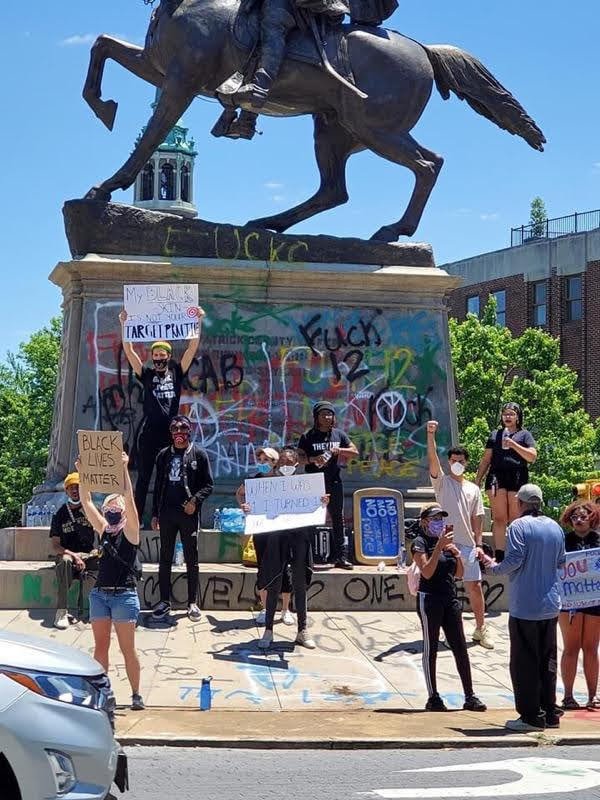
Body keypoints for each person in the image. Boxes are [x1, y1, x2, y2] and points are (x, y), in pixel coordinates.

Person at [485, 483, 565, 731]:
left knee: (524, 662)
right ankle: (550, 712)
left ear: (519, 503)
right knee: (547, 660)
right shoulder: (555, 527)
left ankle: (531, 716)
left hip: (525, 605)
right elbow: (561, 562)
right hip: (551, 604)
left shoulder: (518, 526)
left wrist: (492, 567)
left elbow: (515, 559)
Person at [118, 307, 205, 522]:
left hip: (171, 433)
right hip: (149, 433)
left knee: (167, 477)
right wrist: (124, 324)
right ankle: (135, 519)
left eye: (162, 355)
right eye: (155, 355)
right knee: (144, 478)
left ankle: (159, 516)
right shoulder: (146, 374)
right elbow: (129, 352)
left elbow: (191, 349)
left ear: (168, 356)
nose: (158, 358)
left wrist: (199, 321)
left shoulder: (176, 372)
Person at [77, 451, 145, 711]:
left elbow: (130, 501)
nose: (113, 511)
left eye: (117, 508)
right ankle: (101, 693)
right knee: (101, 647)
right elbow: (85, 500)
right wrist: (83, 472)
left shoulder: (131, 532)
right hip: (100, 594)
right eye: (109, 508)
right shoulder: (104, 529)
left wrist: (124, 469)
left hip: (124, 595)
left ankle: (136, 694)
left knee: (128, 648)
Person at [239, 446, 324, 649]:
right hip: (276, 538)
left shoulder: (307, 485)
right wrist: (248, 508)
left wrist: (322, 502)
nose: (285, 466)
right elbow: (246, 498)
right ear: (278, 464)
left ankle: (302, 630)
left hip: (299, 538)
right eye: (282, 462)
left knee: (300, 583)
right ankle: (268, 630)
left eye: (289, 463)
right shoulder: (267, 484)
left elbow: (318, 511)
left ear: (296, 465)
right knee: (273, 582)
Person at [411, 503, 487, 712]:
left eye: (441, 519)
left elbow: (459, 574)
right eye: (435, 519)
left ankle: (470, 695)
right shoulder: (420, 543)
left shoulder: (445, 544)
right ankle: (433, 696)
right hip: (430, 599)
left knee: (460, 647)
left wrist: (456, 554)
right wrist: (438, 548)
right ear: (425, 521)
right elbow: (426, 572)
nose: (439, 523)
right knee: (431, 647)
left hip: (449, 597)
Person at [426, 420, 493, 649]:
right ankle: (449, 631)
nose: (457, 464)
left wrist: (479, 544)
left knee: (474, 586)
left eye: (460, 461)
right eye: (453, 461)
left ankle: (480, 629)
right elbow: (432, 459)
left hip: (468, 545)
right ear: (449, 462)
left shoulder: (473, 489)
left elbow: (478, 518)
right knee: (447, 589)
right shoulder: (442, 483)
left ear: (466, 463)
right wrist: (431, 434)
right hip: (446, 545)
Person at [151, 414, 214, 622]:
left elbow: (208, 485)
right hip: (167, 513)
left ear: (189, 431)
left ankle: (192, 602)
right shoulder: (163, 455)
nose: (179, 433)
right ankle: (164, 601)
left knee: (191, 558)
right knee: (165, 557)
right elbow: (158, 485)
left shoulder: (198, 454)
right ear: (171, 433)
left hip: (188, 513)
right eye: (174, 430)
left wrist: (194, 501)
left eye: (182, 429)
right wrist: (154, 513)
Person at [236, 447, 294, 629]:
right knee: (262, 567)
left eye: (266, 460)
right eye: (260, 460)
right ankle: (265, 607)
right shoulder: (253, 480)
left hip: (281, 530)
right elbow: (239, 494)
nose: (262, 464)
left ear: (275, 462)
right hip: (261, 530)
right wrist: (243, 506)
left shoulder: (283, 480)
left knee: (284, 568)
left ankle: (285, 610)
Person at [298, 401, 358, 569]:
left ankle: (341, 557)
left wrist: (341, 451)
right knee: (311, 518)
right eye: (323, 414)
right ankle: (307, 557)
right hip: (313, 483)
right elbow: (299, 458)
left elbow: (355, 452)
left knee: (337, 518)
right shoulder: (308, 436)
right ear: (316, 417)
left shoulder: (339, 435)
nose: (326, 417)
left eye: (329, 414)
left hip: (334, 482)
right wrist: (312, 459)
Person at [475, 402, 537, 562]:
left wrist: (514, 444)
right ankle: (500, 555)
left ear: (518, 417)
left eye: (511, 414)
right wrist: (477, 480)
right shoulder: (495, 434)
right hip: (497, 476)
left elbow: (532, 457)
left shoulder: (525, 435)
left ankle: (516, 553)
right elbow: (486, 459)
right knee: (500, 517)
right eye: (505, 414)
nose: (508, 417)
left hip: (517, 476)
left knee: (516, 518)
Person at [557, 500, 600, 710]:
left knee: (591, 648)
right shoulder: (563, 541)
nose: (579, 520)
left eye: (583, 516)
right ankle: (568, 695)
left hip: (595, 601)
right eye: (575, 517)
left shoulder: (599, 541)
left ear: (592, 517)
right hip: (569, 601)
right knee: (571, 648)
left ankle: (593, 695)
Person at [49, 472, 97, 629]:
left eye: (78, 487)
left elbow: (105, 531)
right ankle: (61, 611)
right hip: (68, 555)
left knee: (105, 560)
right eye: (71, 488)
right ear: (66, 491)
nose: (75, 491)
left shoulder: (91, 510)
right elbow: (55, 545)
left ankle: (99, 609)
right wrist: (73, 555)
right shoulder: (60, 515)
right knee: (64, 562)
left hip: (88, 554)